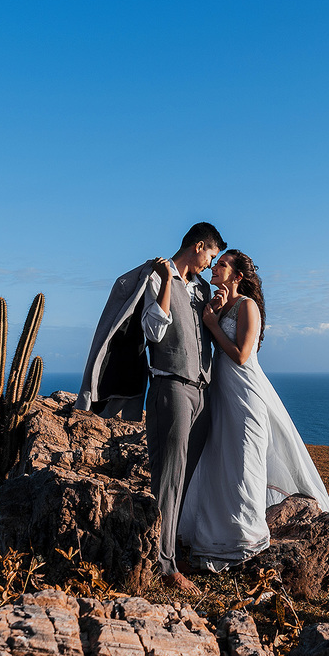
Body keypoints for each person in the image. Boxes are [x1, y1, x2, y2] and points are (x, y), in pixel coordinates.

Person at [179, 250, 329, 590]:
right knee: (220, 464)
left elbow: (243, 355)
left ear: (236, 276)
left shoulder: (247, 306)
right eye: (215, 263)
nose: (214, 268)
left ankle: (245, 543)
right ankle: (218, 541)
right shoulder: (220, 305)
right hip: (222, 395)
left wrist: (213, 324)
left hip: (246, 395)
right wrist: (213, 315)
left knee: (246, 464)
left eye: (221, 265)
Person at [76, 223, 226, 594]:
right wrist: (163, 284)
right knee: (168, 476)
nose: (211, 263)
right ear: (198, 246)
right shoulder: (157, 278)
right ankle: (163, 564)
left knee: (186, 477)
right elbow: (154, 332)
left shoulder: (202, 288)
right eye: (210, 254)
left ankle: (172, 550)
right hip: (170, 385)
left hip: (201, 389)